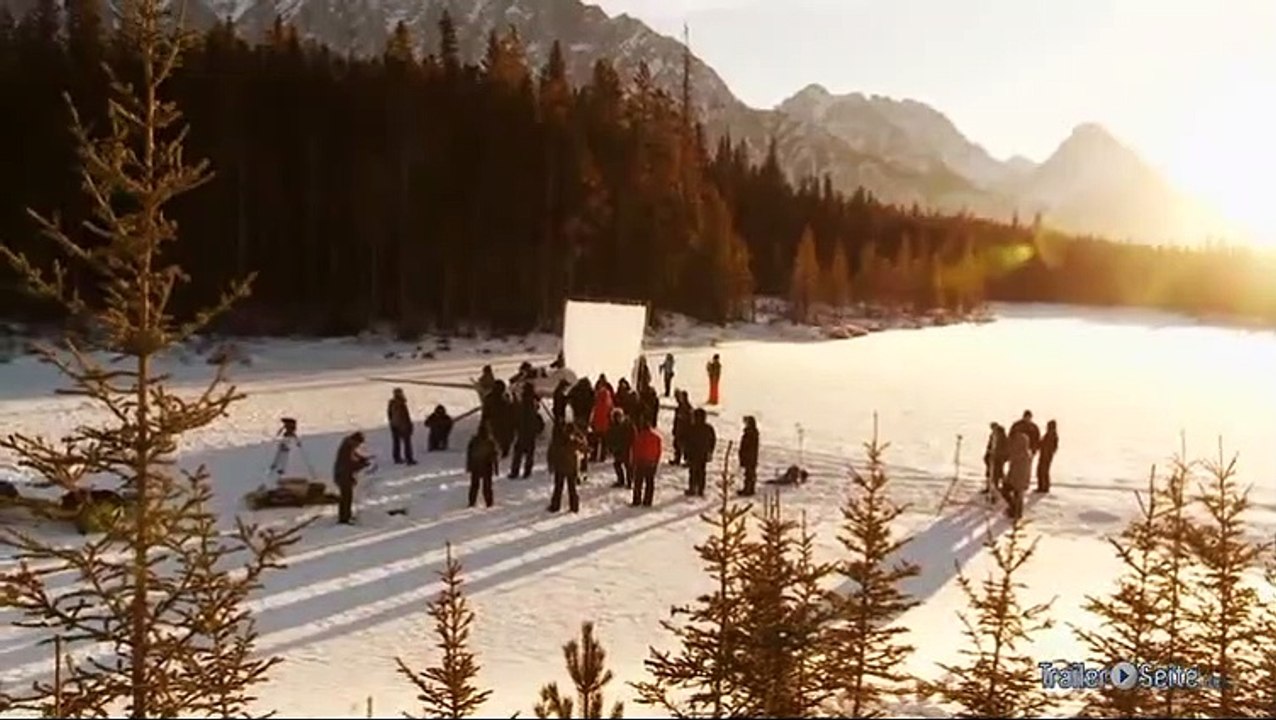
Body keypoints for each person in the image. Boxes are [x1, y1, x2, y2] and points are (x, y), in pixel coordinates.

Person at [332, 431, 371, 525]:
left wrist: (362, 459)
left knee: (347, 497)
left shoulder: (348, 444)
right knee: (346, 497)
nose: (358, 446)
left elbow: (354, 455)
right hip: (343, 476)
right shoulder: (347, 448)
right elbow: (349, 464)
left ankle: (347, 515)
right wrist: (361, 465)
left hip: (344, 474)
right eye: (358, 444)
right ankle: (344, 518)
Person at [548, 421, 585, 513]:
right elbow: (584, 446)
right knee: (572, 488)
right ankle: (574, 506)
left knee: (558, 488)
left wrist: (551, 464)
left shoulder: (557, 440)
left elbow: (551, 452)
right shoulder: (574, 441)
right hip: (571, 468)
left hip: (560, 467)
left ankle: (555, 506)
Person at [509, 384, 545, 479]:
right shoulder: (532, 403)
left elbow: (517, 416)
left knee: (518, 453)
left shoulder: (524, 402)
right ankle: (527, 471)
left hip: (522, 431)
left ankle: (515, 471)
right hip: (530, 432)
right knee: (529, 453)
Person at [684, 408, 717, 497]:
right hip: (703, 453)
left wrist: (686, 454)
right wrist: (710, 451)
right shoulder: (708, 428)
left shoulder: (691, 428)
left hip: (693, 453)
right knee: (702, 471)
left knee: (693, 471)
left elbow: (687, 441)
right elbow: (712, 441)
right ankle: (701, 489)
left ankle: (692, 488)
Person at [466, 423, 500, 508]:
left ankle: (472, 502)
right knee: (487, 486)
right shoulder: (490, 442)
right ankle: (489, 503)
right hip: (486, 466)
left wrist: (469, 466)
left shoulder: (474, 441)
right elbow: (494, 456)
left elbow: (469, 455)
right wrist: (496, 469)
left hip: (476, 466)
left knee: (474, 486)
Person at [631, 419, 663, 507]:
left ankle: (636, 500)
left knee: (638, 482)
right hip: (651, 462)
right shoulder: (657, 437)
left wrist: (634, 461)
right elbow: (659, 451)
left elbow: (635, 450)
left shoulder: (639, 437)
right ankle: (648, 501)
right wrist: (656, 461)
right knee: (650, 482)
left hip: (641, 462)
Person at [481, 380, 515, 458]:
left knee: (500, 437)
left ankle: (500, 450)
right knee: (503, 438)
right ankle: (502, 450)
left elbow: (485, 414)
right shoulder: (505, 398)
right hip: (502, 423)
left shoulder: (490, 398)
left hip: (498, 422)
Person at [1004, 432, 1032, 520]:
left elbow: (1016, 468)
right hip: (1019, 479)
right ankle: (1015, 511)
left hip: (1017, 479)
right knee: (1017, 496)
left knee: (1015, 495)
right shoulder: (1026, 453)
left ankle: (1016, 512)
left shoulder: (1020, 454)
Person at [606, 408, 635, 488]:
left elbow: (633, 435)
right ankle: (621, 480)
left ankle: (630, 482)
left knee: (628, 465)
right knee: (617, 464)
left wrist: (630, 444)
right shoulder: (613, 425)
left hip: (626, 447)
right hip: (617, 447)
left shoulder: (628, 424)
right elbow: (610, 436)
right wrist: (611, 447)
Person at [387, 388, 415, 465]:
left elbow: (389, 415)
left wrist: (392, 423)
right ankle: (409, 459)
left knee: (397, 442)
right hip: (402, 426)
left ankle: (397, 458)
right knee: (407, 443)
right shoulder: (400, 403)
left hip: (395, 425)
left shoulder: (392, 403)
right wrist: (408, 425)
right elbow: (404, 416)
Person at [590, 379, 615, 463]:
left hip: (597, 423)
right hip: (605, 424)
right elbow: (611, 410)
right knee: (604, 442)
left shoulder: (597, 399)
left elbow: (595, 411)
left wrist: (592, 421)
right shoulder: (609, 399)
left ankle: (594, 456)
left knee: (595, 441)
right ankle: (602, 457)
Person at [738, 416, 760, 496]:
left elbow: (747, 445)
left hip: (749, 456)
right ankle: (748, 488)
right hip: (750, 456)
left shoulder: (750, 433)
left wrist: (744, 456)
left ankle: (748, 489)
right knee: (749, 473)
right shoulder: (751, 432)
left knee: (749, 474)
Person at [983, 422, 1006, 496]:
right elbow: (989, 446)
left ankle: (997, 487)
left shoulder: (1002, 436)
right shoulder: (992, 436)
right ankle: (989, 487)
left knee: (998, 473)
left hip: (998, 458)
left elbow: (1004, 448)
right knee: (990, 473)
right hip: (992, 457)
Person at [1037, 420, 1058, 493]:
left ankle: (1043, 487)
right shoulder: (1050, 434)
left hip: (1046, 455)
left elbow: (1050, 446)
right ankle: (1043, 486)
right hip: (1045, 455)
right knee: (1042, 470)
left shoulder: (1051, 435)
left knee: (1043, 471)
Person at [671, 390, 692, 465]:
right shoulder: (679, 407)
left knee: (685, 446)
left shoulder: (688, 408)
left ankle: (688, 460)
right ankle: (677, 459)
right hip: (679, 429)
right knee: (677, 445)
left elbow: (690, 420)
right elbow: (676, 419)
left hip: (685, 430)